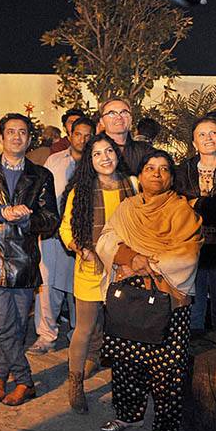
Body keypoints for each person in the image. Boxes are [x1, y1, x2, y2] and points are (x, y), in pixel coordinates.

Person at [96, 150, 202, 431]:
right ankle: (128, 414)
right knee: (126, 362)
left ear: (171, 177)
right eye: (150, 168)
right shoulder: (127, 207)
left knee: (166, 369)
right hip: (129, 296)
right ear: (139, 176)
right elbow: (106, 239)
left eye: (164, 169)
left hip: (168, 299)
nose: (157, 173)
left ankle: (164, 430)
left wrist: (147, 264)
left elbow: (187, 254)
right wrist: (129, 257)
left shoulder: (182, 211)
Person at [0, 113, 60, 406]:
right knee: (4, 325)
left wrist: (28, 220)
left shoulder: (41, 176)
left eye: (23, 132)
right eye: (11, 132)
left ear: (29, 139)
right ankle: (26, 380)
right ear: (1, 137)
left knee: (16, 327)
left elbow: (51, 220)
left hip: (25, 262)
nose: (17, 137)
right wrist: (2, 212)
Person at [58, 133, 135, 414]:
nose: (105, 157)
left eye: (109, 151)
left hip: (124, 270)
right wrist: (83, 250)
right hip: (90, 268)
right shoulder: (82, 190)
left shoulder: (133, 185)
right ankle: (75, 384)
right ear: (90, 161)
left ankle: (127, 386)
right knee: (84, 328)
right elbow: (66, 229)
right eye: (97, 154)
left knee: (124, 331)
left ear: (117, 153)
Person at [28, 117, 95, 356]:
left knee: (79, 288)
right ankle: (46, 335)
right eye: (79, 134)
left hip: (84, 237)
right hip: (52, 233)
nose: (83, 140)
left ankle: (79, 335)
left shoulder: (97, 163)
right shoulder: (54, 161)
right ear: (70, 134)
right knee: (47, 285)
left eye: (88, 136)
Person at [175, 117, 216, 331]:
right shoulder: (182, 171)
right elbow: (177, 208)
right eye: (201, 134)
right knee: (193, 314)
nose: (208, 138)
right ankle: (193, 363)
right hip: (191, 249)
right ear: (194, 143)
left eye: (213, 133)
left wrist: (198, 203)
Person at [97, 97, 154, 175]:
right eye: (112, 113)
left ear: (131, 119)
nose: (119, 117)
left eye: (124, 112)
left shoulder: (145, 151)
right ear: (102, 122)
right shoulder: (91, 149)